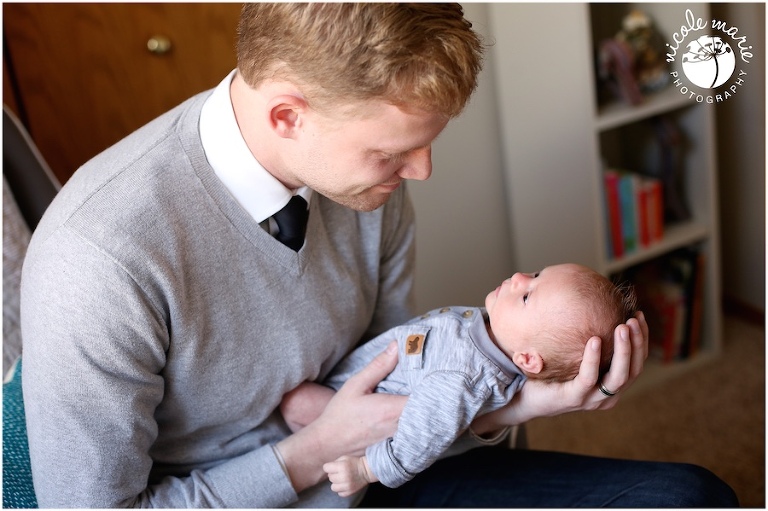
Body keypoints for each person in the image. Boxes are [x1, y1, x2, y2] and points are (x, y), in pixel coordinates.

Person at [19, 3, 737, 508]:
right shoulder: (100, 259)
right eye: (396, 150)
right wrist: (312, 450)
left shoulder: (366, 185)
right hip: (253, 495)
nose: (419, 172)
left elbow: (407, 382)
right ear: (287, 116)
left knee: (692, 496)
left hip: (385, 477)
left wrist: (522, 402)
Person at [279, 263, 637, 496]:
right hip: (358, 374)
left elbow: (421, 437)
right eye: (537, 273)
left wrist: (365, 468)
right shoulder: (492, 334)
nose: (519, 278)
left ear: (526, 359)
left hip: (352, 407)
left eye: (527, 296)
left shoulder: (463, 379)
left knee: (295, 403)